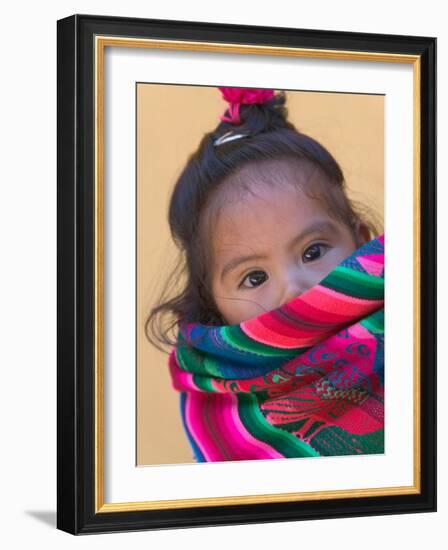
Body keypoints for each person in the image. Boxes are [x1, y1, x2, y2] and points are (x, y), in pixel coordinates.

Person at [145, 87, 385, 463]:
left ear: (362, 240)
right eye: (254, 278)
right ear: (214, 304)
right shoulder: (221, 406)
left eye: (313, 252)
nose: (293, 289)